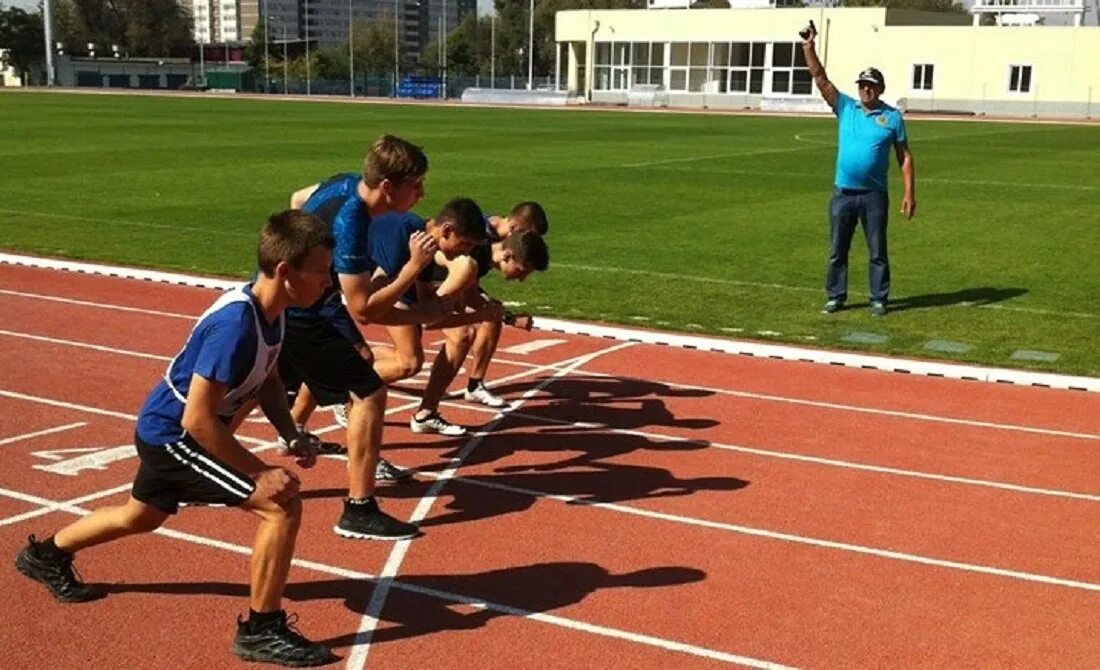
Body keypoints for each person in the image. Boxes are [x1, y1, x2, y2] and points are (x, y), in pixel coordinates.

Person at [14, 211, 336, 667]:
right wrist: (260, 471)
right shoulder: (236, 326)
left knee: (140, 515)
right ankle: (262, 630)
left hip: (174, 432)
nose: (328, 281)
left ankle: (44, 555)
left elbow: (266, 378)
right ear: (286, 272)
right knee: (279, 505)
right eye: (321, 271)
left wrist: (290, 432)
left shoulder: (274, 312)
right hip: (173, 436)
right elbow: (198, 420)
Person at [278, 134, 435, 540]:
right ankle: (359, 509)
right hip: (299, 311)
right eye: (415, 185)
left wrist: (299, 255)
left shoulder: (343, 182)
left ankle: (197, 458)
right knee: (369, 392)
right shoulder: (351, 222)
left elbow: (298, 200)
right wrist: (412, 269)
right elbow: (364, 309)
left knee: (254, 384)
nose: (422, 193)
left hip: (303, 301)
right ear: (388, 188)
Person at [800, 21, 916, 317]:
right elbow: (820, 78)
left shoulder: (891, 117)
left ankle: (879, 298)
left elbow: (904, 156)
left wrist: (909, 193)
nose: (865, 89)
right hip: (843, 193)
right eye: (862, 85)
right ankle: (835, 295)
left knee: (877, 251)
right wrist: (808, 46)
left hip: (874, 195)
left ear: (880, 88)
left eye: (870, 85)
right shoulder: (846, 107)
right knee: (838, 249)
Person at [368, 199, 490, 436]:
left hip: (386, 288)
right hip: (341, 282)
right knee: (409, 363)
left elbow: (425, 304)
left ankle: (347, 375)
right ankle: (344, 386)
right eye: (464, 244)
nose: (464, 252)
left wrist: (440, 305)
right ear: (446, 230)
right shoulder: (404, 239)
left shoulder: (424, 244)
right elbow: (370, 309)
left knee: (407, 359)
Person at [426, 230, 551, 412]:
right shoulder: (472, 258)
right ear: (507, 256)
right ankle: (426, 411)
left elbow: (470, 296)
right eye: (521, 271)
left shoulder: (483, 256)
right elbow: (435, 317)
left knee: (492, 314)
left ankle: (474, 386)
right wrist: (487, 314)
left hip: (438, 291)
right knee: (459, 336)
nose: (522, 279)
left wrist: (506, 316)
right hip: (417, 289)